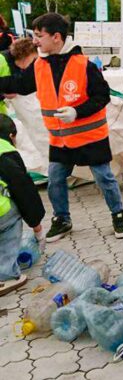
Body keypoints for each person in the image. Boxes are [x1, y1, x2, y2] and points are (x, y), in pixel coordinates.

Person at [0, 13, 123, 242]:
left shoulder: (83, 65)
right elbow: (20, 85)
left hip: (90, 136)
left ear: (57, 37)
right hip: (60, 139)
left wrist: (77, 112)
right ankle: (62, 219)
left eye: (39, 36)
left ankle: (118, 215)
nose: (35, 41)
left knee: (104, 178)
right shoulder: (40, 65)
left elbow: (102, 96)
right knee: (55, 179)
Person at [0, 115, 46, 297]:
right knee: (9, 218)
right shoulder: (6, 153)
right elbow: (24, 191)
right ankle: (6, 275)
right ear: (11, 135)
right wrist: (37, 226)